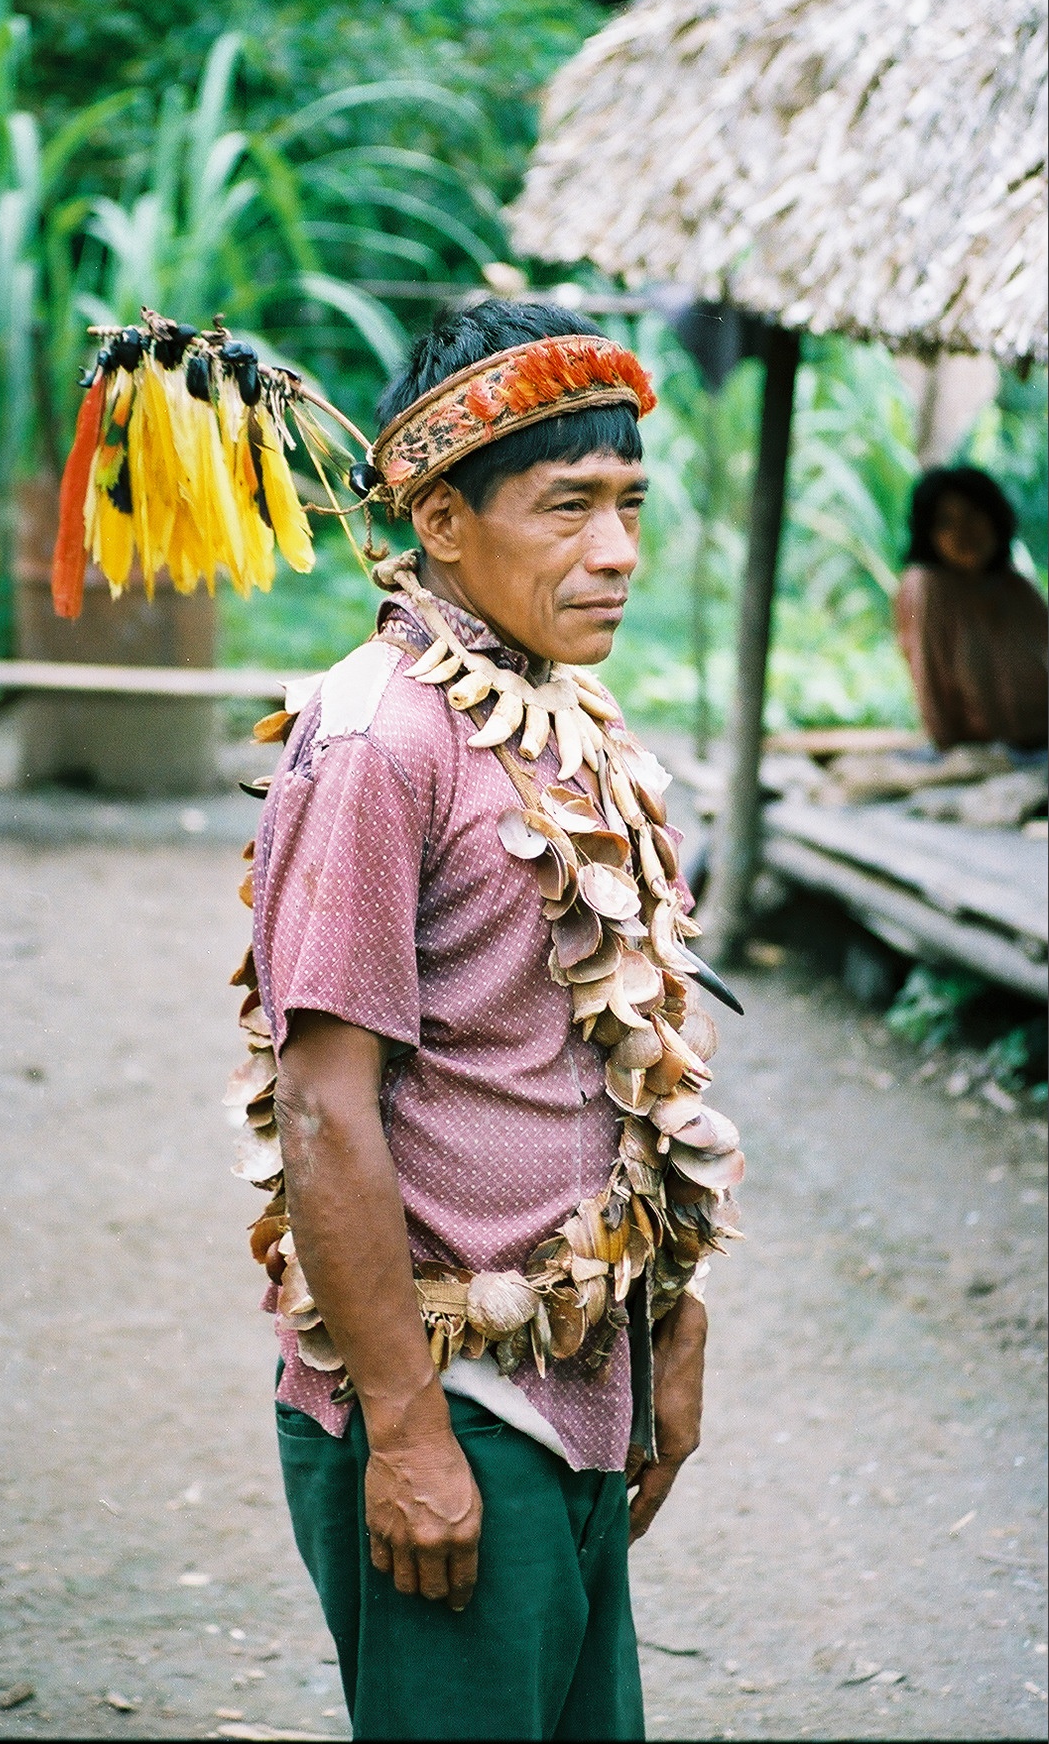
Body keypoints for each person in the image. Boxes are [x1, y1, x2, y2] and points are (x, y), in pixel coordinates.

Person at [235, 301, 744, 1741]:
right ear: (443, 523)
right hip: (449, 1404)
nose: (616, 553)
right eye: (567, 507)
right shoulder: (377, 738)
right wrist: (403, 1426)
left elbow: (609, 1062)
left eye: (631, 507)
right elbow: (326, 1106)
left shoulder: (561, 715)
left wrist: (669, 1313)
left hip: (583, 1384)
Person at [894, 465, 1048, 752]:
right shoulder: (927, 585)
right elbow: (929, 683)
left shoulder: (1018, 589)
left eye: (973, 515)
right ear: (929, 534)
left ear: (994, 518)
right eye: (945, 522)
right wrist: (953, 754)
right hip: (976, 754)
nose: (962, 532)